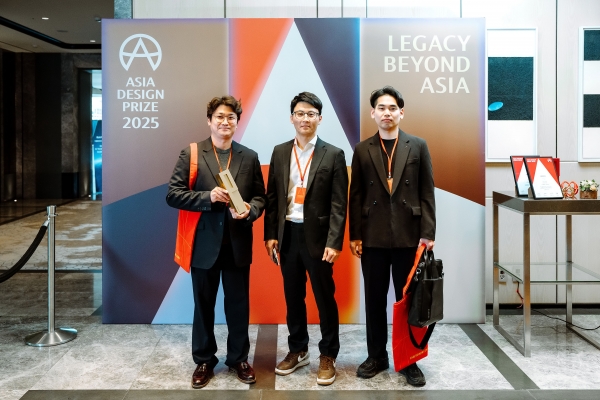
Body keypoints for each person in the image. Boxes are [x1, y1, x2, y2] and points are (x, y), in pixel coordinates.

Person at [166, 95, 266, 389]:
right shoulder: (192, 153)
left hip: (237, 244)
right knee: (203, 305)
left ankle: (238, 359)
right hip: (203, 244)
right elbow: (173, 194)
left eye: (231, 117)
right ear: (209, 120)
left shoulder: (249, 156)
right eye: (220, 117)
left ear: (237, 122)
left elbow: (260, 197)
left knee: (238, 305)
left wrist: (250, 211)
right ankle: (204, 360)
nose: (225, 122)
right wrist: (206, 197)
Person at [349, 86, 436, 387]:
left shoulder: (418, 145)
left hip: (408, 236)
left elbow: (427, 191)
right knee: (374, 299)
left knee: (407, 300)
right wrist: (355, 235)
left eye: (392, 108)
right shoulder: (362, 149)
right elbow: (356, 194)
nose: (387, 113)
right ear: (373, 113)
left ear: (401, 112)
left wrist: (428, 232)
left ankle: (409, 359)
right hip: (372, 235)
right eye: (381, 108)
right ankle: (377, 356)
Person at [264, 92, 348, 386]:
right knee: (293, 296)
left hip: (320, 239)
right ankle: (298, 349)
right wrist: (270, 235)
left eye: (311, 114)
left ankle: (328, 354)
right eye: (300, 113)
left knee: (325, 298)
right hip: (287, 234)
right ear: (292, 118)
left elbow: (339, 203)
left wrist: (334, 241)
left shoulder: (333, 154)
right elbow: (272, 198)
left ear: (319, 119)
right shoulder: (279, 152)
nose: (305, 118)